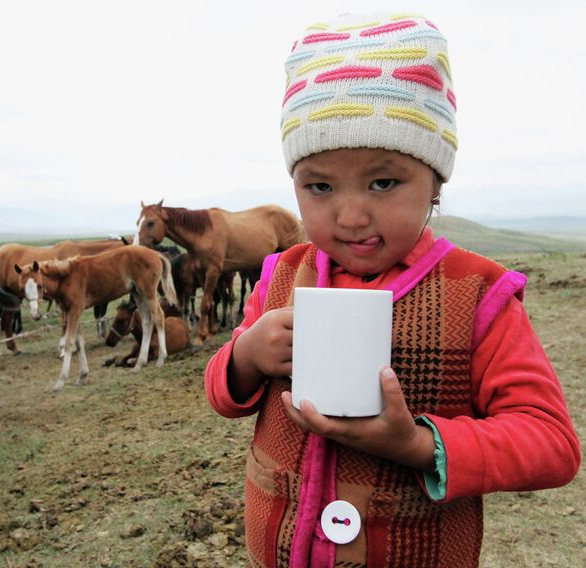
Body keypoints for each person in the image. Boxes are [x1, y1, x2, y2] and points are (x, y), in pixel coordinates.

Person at [205, 11, 581, 568]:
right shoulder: (280, 275)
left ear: (435, 180)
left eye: (384, 182)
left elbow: (552, 444)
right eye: (319, 186)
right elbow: (222, 393)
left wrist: (418, 446)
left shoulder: (479, 296)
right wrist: (246, 355)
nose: (351, 214)